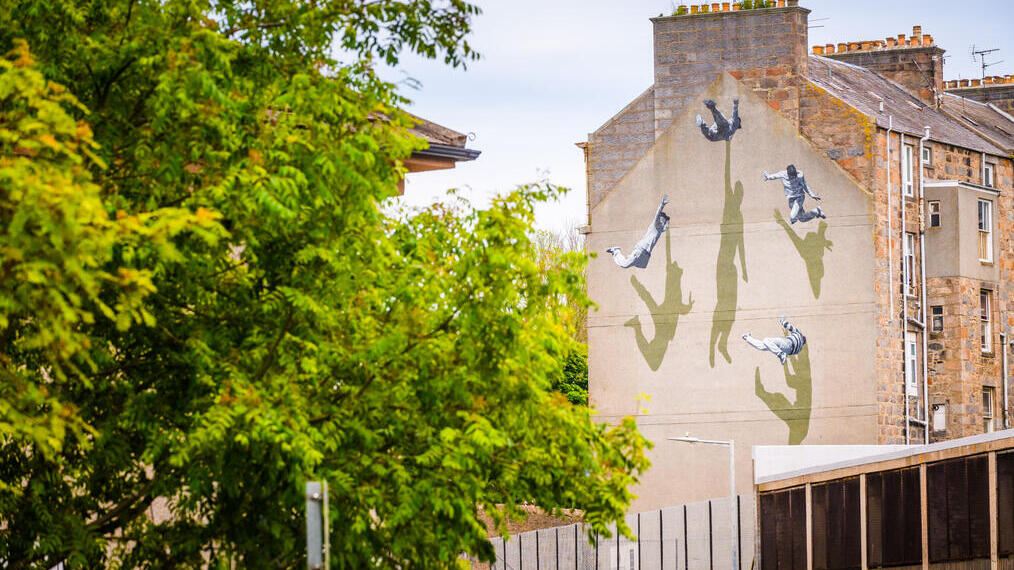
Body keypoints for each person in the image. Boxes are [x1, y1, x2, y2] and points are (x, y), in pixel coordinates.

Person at [606, 195, 669, 269]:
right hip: (641, 249)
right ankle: (616, 250)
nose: (663, 223)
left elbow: (666, 228)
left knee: (634, 265)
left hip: (645, 254)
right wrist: (662, 205)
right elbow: (657, 215)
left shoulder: (660, 230)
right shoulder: (655, 225)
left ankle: (621, 253)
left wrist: (667, 221)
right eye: (662, 220)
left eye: (664, 222)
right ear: (660, 220)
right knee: (625, 265)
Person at [742, 316, 806, 364]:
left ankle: (780, 354)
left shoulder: (798, 333)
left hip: (786, 343)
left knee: (766, 340)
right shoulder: (799, 349)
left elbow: (786, 325)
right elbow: (790, 353)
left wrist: (782, 319)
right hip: (787, 350)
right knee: (762, 346)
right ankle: (747, 337)